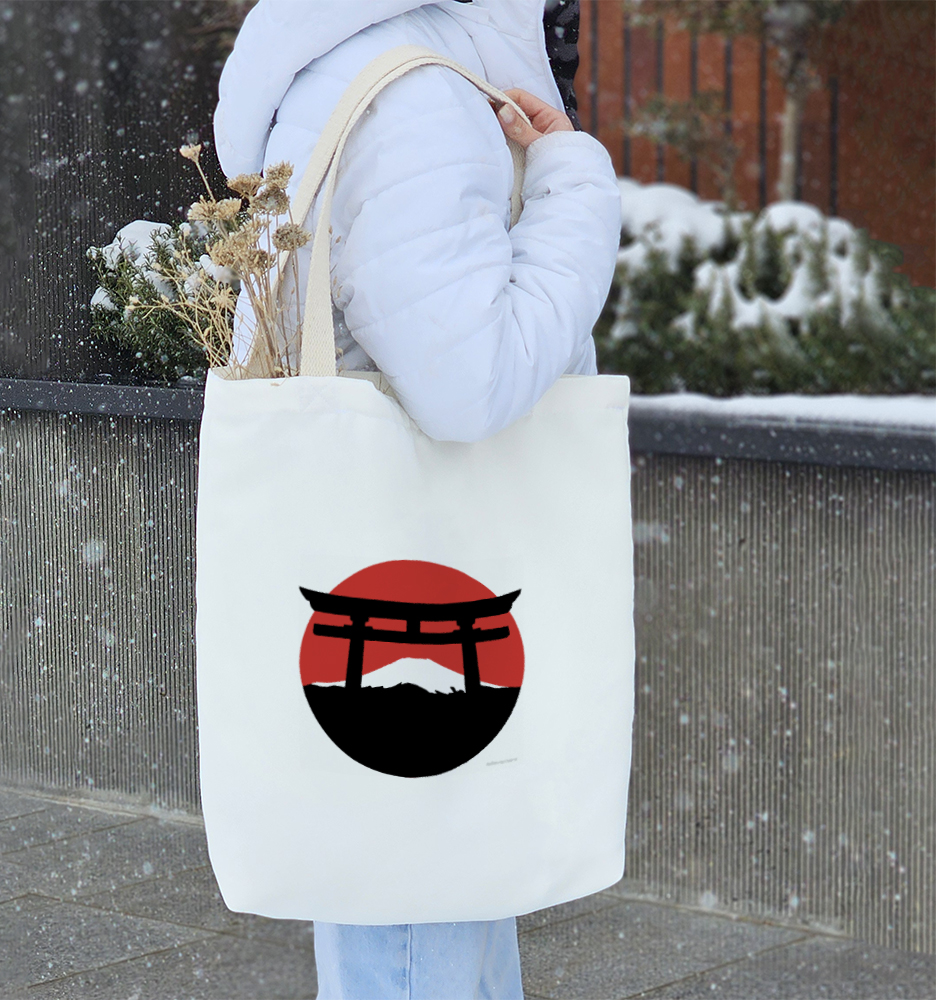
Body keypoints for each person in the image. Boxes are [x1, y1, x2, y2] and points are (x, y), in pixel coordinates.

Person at [214, 1, 621, 996]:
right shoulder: (415, 95)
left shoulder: (368, 60)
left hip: (393, 559)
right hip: (427, 567)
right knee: (418, 911)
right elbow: (468, 384)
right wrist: (573, 185)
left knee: (424, 890)